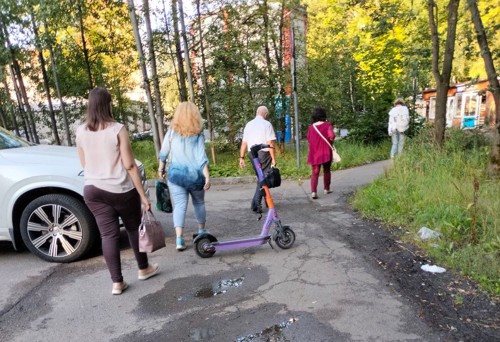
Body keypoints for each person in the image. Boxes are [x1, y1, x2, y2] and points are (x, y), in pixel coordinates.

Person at [76, 87, 159, 296]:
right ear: (108, 104)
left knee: (108, 235)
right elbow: (130, 165)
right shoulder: (117, 129)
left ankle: (117, 283)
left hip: (92, 189)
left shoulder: (81, 131)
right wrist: (142, 195)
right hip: (120, 189)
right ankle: (143, 269)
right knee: (132, 228)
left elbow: (84, 163)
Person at [158, 102, 211, 251]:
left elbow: (164, 152)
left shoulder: (172, 132)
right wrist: (207, 176)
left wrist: (161, 168)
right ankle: (201, 232)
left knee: (180, 206)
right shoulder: (198, 135)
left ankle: (179, 239)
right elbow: (201, 158)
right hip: (195, 177)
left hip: (175, 176)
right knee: (199, 203)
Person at [239, 105, 277, 212]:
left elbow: (244, 143)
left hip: (252, 154)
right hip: (263, 153)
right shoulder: (267, 124)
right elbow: (270, 143)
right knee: (263, 178)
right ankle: (256, 203)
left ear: (256, 113)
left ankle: (266, 200)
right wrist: (273, 158)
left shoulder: (248, 125)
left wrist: (241, 157)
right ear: (265, 115)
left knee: (261, 177)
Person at [306, 107, 336, 200]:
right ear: (323, 116)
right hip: (326, 152)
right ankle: (326, 189)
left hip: (314, 153)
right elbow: (332, 136)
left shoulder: (311, 127)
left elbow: (309, 140)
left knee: (315, 172)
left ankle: (314, 192)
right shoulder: (327, 125)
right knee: (326, 170)